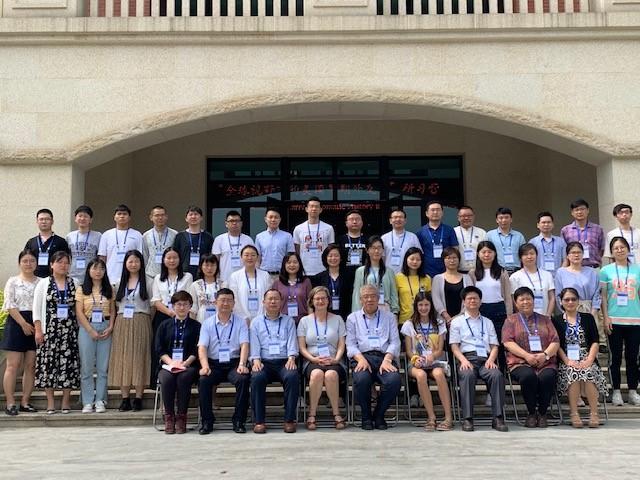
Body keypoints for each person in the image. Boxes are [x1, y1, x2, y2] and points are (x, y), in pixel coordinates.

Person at [449, 286, 508, 432]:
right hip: (467, 359)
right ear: (464, 302)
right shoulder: (457, 322)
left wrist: (491, 360)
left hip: (486, 359)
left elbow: (495, 345)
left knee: (497, 375)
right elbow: (454, 346)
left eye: (475, 298)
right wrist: (463, 360)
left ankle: (498, 418)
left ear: (481, 301)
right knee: (467, 376)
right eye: (469, 298)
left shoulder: (487, 322)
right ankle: (468, 418)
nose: (472, 301)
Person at [502, 286, 560, 428]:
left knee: (547, 377)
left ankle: (542, 413)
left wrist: (545, 355)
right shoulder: (510, 320)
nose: (525, 302)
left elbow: (555, 341)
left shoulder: (545, 319)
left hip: (545, 361)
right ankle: (531, 413)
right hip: (520, 362)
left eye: (528, 299)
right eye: (522, 299)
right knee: (528, 377)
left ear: (534, 301)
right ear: (516, 303)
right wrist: (527, 356)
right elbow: (507, 342)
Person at [346, 284, 402, 430]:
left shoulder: (389, 317)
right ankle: (366, 416)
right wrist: (360, 358)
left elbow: (395, 341)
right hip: (362, 357)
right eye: (366, 297)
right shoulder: (353, 318)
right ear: (360, 300)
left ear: (378, 298)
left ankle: (378, 414)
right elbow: (350, 344)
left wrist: (388, 359)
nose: (369, 299)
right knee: (361, 379)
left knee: (394, 380)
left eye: (373, 296)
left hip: (385, 357)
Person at [553, 287, 608, 428]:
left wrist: (589, 359)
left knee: (588, 372)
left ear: (578, 301)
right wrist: (567, 361)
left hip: (586, 355)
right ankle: (574, 413)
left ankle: (594, 413)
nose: (570, 302)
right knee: (573, 372)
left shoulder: (588, 318)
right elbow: (556, 344)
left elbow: (595, 341)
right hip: (567, 358)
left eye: (573, 299)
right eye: (567, 299)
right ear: (561, 302)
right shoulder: (556, 320)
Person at [197, 288, 250, 434]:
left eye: (229, 300)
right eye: (222, 300)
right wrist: (205, 366)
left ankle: (239, 420)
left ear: (234, 303)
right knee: (204, 380)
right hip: (214, 363)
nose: (225, 303)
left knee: (243, 379)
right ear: (215, 302)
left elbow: (244, 344)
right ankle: (207, 421)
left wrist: (242, 364)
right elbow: (202, 347)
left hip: (234, 363)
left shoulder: (240, 322)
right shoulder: (207, 323)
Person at [32, 251, 79, 414]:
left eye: (66, 262)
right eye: (59, 262)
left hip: (70, 332)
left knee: (68, 366)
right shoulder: (43, 283)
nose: (63, 265)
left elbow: (78, 309)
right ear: (52, 264)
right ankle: (50, 403)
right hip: (49, 331)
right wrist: (38, 330)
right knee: (47, 366)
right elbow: (36, 309)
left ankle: (66, 402)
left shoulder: (75, 282)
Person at [401, 292, 454, 431]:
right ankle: (431, 417)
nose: (423, 308)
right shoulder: (409, 324)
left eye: (426, 305)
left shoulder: (439, 323)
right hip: (416, 362)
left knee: (438, 374)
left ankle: (448, 417)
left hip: (435, 360)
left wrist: (432, 356)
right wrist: (415, 358)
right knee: (421, 375)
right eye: (420, 305)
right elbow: (408, 351)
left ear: (431, 306)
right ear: (416, 306)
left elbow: (441, 349)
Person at [249, 289, 300, 433]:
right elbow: (254, 343)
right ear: (263, 302)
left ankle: (289, 420)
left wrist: (291, 357)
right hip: (264, 362)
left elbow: (292, 342)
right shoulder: (256, 322)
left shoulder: (288, 321)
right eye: (270, 299)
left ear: (281, 302)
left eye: (276, 299)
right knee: (257, 377)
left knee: (292, 375)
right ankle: (259, 421)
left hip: (284, 361)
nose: (273, 302)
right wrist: (256, 360)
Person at [297, 286, 347, 430]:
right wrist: (313, 359)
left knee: (331, 374)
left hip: (333, 360)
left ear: (328, 301)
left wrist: (336, 359)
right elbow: (302, 347)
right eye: (317, 298)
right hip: (312, 360)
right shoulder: (304, 321)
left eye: (323, 298)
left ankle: (336, 414)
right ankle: (312, 415)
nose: (320, 301)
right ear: (312, 301)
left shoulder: (337, 319)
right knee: (317, 374)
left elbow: (341, 345)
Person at [108, 250, 152, 412]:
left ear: (141, 263)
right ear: (125, 263)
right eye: (130, 261)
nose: (133, 264)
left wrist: (145, 320)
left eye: (136, 261)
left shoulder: (148, 281)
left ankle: (139, 398)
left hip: (141, 320)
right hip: (122, 322)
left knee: (140, 358)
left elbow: (153, 304)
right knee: (123, 358)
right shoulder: (119, 282)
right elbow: (115, 304)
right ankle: (125, 398)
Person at [600, 236, 640, 406]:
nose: (619, 250)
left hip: (635, 320)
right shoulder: (605, 270)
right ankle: (615, 391)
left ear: (628, 250)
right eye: (615, 248)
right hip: (614, 320)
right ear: (612, 251)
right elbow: (602, 297)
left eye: (622, 247)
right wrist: (605, 317)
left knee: (632, 358)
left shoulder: (637, 269)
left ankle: (632, 391)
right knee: (615, 358)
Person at [155, 290, 201, 434]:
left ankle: (182, 417)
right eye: (178, 304)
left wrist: (185, 364)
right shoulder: (164, 325)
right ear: (173, 306)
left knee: (184, 378)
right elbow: (159, 348)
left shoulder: (196, 326)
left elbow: (197, 349)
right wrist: (171, 363)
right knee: (166, 379)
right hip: (168, 365)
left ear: (190, 306)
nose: (182, 307)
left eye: (185, 304)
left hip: (189, 365)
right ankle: (169, 416)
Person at [1, 250, 40, 415]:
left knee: (31, 366)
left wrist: (36, 325)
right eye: (25, 261)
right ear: (19, 263)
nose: (28, 264)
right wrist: (23, 323)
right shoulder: (13, 281)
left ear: (36, 263)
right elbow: (10, 304)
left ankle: (25, 401)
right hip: (17, 322)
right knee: (13, 365)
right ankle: (10, 403)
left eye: (32, 261)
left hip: (36, 322)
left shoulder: (42, 282)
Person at [75, 258, 115, 414]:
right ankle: (87, 401)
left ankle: (100, 400)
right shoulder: (81, 289)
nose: (98, 271)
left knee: (102, 367)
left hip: (105, 327)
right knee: (86, 367)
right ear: (89, 271)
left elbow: (112, 311)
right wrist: (89, 329)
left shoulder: (109, 289)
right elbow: (79, 311)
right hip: (87, 328)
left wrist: (111, 327)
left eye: (101, 269)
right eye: (94, 268)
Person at [151, 247, 193, 387]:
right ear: (163, 260)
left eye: (175, 257)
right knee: (162, 347)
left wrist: (179, 312)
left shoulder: (187, 277)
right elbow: (156, 300)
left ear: (180, 260)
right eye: (168, 258)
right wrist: (171, 313)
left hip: (182, 316)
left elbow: (187, 297)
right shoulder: (158, 278)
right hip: (163, 317)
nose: (172, 260)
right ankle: (161, 381)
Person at [468, 241, 513, 370]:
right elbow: (470, 296)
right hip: (480, 310)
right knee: (484, 343)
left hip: (499, 310)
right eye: (483, 252)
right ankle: (486, 372)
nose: (486, 255)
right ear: (478, 254)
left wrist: (509, 315)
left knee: (499, 343)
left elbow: (507, 296)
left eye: (489, 252)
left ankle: (501, 374)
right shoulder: (473, 273)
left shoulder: (502, 272)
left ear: (494, 254)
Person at [554, 242, 602, 342]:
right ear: (567, 255)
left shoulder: (592, 272)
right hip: (569, 311)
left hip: (589, 310)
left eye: (579, 252)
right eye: (573, 252)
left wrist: (592, 313)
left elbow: (597, 294)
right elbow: (558, 295)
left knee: (590, 341)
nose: (576, 255)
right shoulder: (561, 272)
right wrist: (566, 312)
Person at [351, 236, 399, 316]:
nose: (376, 251)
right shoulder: (360, 271)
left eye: (379, 248)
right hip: (367, 310)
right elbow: (356, 295)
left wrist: (395, 312)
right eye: (373, 248)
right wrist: (356, 314)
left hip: (385, 310)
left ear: (383, 250)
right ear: (367, 250)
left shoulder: (389, 271)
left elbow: (393, 294)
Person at [98, 204, 143, 283]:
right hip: (110, 277)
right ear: (114, 217)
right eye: (119, 214)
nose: (122, 216)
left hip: (130, 278)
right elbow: (102, 258)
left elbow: (140, 257)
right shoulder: (106, 235)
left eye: (125, 214)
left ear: (129, 218)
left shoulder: (137, 235)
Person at [228, 245, 273, 323]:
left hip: (263, 319)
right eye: (246, 255)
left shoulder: (265, 275)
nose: (250, 258)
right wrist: (243, 317)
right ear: (241, 257)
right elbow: (234, 299)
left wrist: (262, 316)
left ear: (257, 257)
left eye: (253, 255)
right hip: (241, 320)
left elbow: (268, 298)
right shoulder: (235, 276)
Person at [292, 196, 335, 276]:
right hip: (304, 271)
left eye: (316, 207)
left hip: (323, 270)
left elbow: (331, 250)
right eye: (311, 206)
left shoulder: (328, 228)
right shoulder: (298, 228)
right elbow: (296, 250)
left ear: (321, 210)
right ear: (306, 209)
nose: (314, 209)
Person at [509, 243, 555, 316]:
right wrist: (522, 316)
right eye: (525, 254)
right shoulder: (515, 277)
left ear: (536, 255)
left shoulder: (547, 275)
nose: (529, 257)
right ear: (520, 258)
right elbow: (513, 300)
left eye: (532, 253)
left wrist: (548, 315)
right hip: (525, 318)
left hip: (545, 317)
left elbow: (552, 298)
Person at [431, 247, 473, 327]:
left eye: (454, 258)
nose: (452, 260)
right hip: (443, 321)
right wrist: (446, 317)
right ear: (443, 260)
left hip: (463, 319)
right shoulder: (437, 278)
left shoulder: (467, 278)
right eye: (448, 258)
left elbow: (470, 298)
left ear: (459, 260)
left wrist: (458, 317)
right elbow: (436, 299)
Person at [416, 200, 459, 278]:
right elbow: (418, 253)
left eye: (438, 210)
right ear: (427, 213)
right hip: (427, 272)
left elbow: (455, 250)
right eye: (432, 210)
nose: (435, 212)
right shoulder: (420, 232)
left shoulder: (449, 230)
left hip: (447, 271)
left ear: (442, 213)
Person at [310, 244, 353, 320]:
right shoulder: (318, 278)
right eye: (330, 256)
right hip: (324, 316)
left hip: (345, 315)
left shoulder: (349, 276)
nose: (333, 258)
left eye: (336, 255)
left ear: (341, 258)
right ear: (326, 258)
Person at [25, 208, 70, 278]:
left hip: (55, 279)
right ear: (37, 221)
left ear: (52, 221)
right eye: (41, 219)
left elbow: (66, 261)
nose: (44, 221)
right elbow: (26, 260)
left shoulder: (61, 241)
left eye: (47, 219)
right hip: (34, 279)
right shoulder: (31, 242)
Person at [212, 210, 255, 284]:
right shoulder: (219, 239)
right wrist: (216, 278)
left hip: (244, 280)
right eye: (231, 221)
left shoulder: (248, 239)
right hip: (224, 280)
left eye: (237, 221)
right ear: (226, 223)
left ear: (241, 223)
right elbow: (215, 261)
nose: (234, 223)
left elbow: (254, 260)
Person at [560, 198, 604, 269]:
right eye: (576, 210)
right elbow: (564, 251)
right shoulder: (565, 230)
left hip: (593, 267)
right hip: (573, 269)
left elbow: (601, 249)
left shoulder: (598, 229)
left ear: (588, 210)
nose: (579, 212)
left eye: (582, 209)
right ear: (572, 213)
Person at [172, 205, 215, 279]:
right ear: (186, 218)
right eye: (190, 214)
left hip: (203, 273)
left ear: (201, 218)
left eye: (196, 214)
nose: (193, 217)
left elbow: (211, 256)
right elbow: (175, 255)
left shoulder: (208, 236)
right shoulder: (180, 236)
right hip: (184, 274)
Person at [255, 207, 295, 283]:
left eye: (276, 217)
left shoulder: (287, 236)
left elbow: (291, 257)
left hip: (282, 275)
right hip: (264, 275)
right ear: (265, 219)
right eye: (270, 217)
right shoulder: (259, 237)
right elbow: (257, 258)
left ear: (280, 219)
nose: (273, 220)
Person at [272, 252, 312, 324]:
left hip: (302, 321)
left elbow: (310, 303)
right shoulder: (277, 283)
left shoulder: (306, 282)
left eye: (295, 262)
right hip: (282, 322)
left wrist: (310, 321)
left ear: (299, 264)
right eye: (289, 262)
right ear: (284, 265)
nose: (292, 265)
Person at [141, 205, 177, 285]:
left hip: (169, 274)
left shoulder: (174, 234)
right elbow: (145, 255)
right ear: (151, 217)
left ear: (166, 217)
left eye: (162, 215)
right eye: (157, 215)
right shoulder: (146, 235)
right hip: (150, 275)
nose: (160, 218)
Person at [66, 205, 102, 284]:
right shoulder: (69, 236)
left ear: (91, 220)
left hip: (90, 276)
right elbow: (67, 256)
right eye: (80, 216)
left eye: (85, 216)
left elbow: (100, 257)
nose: (82, 218)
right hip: (73, 275)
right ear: (75, 218)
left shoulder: (98, 236)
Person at [395, 247, 432, 325]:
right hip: (404, 320)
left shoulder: (427, 278)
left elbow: (430, 300)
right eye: (412, 259)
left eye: (418, 260)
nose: (415, 262)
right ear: (406, 259)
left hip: (423, 320)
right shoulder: (398, 278)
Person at [381, 208, 422, 275]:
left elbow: (419, 256)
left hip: (407, 275)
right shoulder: (384, 238)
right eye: (395, 217)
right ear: (390, 221)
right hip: (388, 274)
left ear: (405, 220)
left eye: (400, 217)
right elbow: (382, 258)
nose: (398, 219)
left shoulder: (412, 237)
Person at [485, 207, 526, 274]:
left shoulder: (519, 236)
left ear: (511, 219)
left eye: (506, 217)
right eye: (501, 218)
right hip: (497, 271)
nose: (504, 220)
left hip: (516, 271)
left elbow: (524, 254)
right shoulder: (489, 235)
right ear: (497, 220)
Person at [528, 211, 566, 276]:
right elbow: (530, 261)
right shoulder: (532, 242)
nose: (546, 225)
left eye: (549, 222)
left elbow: (565, 260)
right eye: (543, 222)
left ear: (553, 224)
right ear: (538, 225)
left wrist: (561, 274)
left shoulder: (561, 241)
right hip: (539, 276)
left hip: (557, 277)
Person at [190, 254, 223, 323]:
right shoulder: (195, 285)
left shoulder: (223, 284)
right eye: (206, 265)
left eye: (212, 265)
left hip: (220, 320)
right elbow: (193, 308)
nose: (209, 268)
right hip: (201, 320)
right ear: (201, 267)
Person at [454, 206, 487, 273]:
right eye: (463, 216)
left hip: (478, 271)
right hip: (459, 271)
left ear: (473, 217)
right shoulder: (453, 232)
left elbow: (486, 251)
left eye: (469, 215)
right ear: (458, 218)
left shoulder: (481, 232)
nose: (466, 218)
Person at [336, 209, 368, 274]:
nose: (354, 222)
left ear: (362, 223)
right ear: (346, 223)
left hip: (364, 274)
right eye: (351, 219)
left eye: (357, 219)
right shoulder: (339, 240)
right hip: (344, 275)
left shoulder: (368, 240)